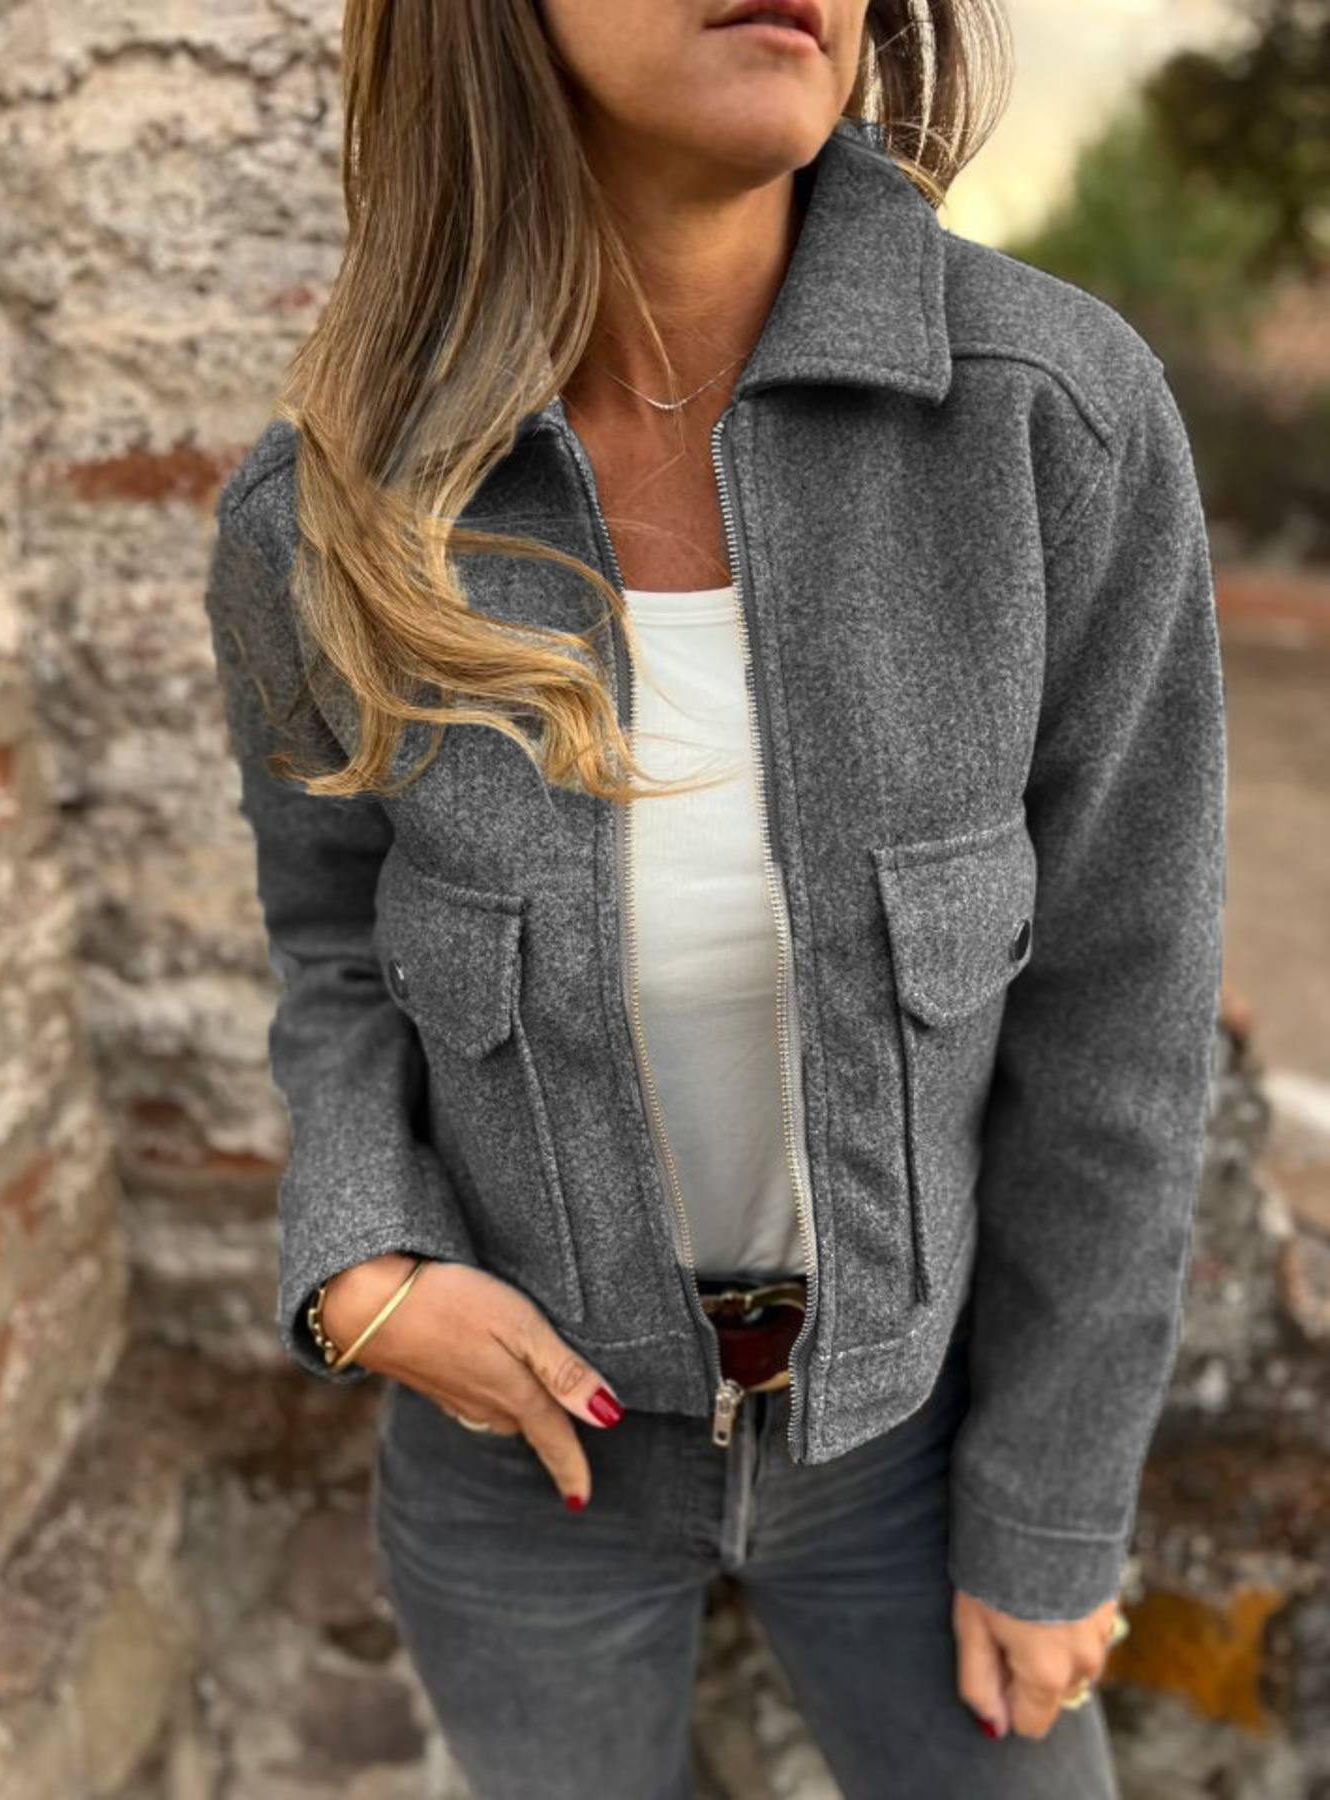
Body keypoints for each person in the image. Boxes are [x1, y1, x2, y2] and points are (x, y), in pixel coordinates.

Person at [200, 2, 1226, 1795]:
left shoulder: (1047, 420)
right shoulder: (326, 511)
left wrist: (1053, 1508)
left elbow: (1121, 1027)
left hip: (919, 1443)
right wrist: (362, 1254)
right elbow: (336, 947)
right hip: (520, 1465)